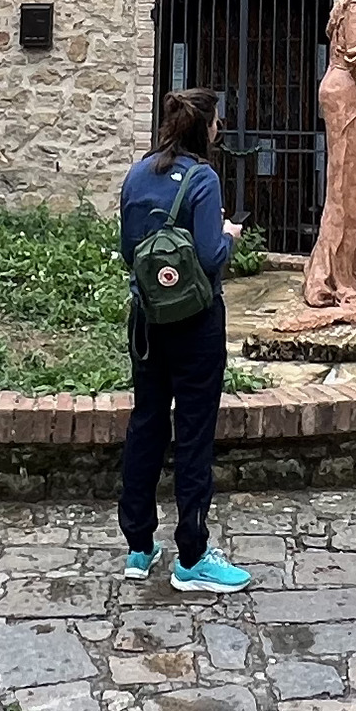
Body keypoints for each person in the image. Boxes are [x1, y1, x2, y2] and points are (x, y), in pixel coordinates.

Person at [118, 88, 250, 591]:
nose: (220, 128)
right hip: (196, 322)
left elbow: (129, 249)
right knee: (193, 431)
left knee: (146, 423)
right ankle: (192, 556)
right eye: (217, 120)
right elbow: (211, 256)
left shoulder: (136, 174)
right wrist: (230, 235)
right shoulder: (204, 179)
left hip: (147, 320)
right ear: (205, 128)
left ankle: (138, 546)